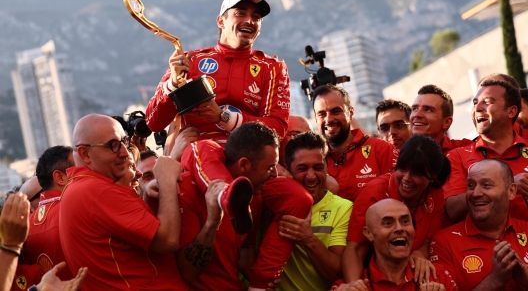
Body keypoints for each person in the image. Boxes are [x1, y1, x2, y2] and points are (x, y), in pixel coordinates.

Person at [177, 121, 313, 291]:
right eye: (270, 167)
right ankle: (224, 197)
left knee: (300, 199)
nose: (275, 173)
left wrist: (261, 281)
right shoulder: (187, 189)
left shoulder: (253, 196)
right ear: (244, 165)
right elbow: (188, 273)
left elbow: (244, 255)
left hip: (237, 287)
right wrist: (212, 222)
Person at [59, 114, 187, 290]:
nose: (125, 153)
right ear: (85, 153)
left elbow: (130, 241)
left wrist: (148, 199)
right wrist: (166, 180)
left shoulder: (80, 188)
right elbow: (168, 240)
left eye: (124, 142)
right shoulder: (97, 192)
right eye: (113, 145)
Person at [145, 0, 290, 141]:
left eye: (256, 17)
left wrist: (223, 118)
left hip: (249, 154)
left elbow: (278, 128)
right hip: (199, 151)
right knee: (205, 149)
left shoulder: (272, 68)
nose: (249, 21)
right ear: (221, 21)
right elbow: (153, 123)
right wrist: (173, 84)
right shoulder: (190, 61)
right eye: (240, 13)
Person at [342, 135, 451, 284]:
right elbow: (355, 249)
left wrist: (419, 254)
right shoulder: (373, 192)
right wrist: (354, 286)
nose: (406, 178)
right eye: (402, 168)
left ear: (432, 177)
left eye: (417, 174)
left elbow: (427, 241)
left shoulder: (435, 193)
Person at [431, 159, 528, 290]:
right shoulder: (444, 242)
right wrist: (495, 279)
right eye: (471, 186)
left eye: (487, 185)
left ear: (511, 191)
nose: (475, 193)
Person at [443, 78, 528, 223]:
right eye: (475, 103)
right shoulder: (457, 156)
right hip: (488, 244)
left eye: (487, 102)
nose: (477, 108)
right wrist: (506, 186)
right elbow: (453, 210)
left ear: (512, 111)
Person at [276, 132, 353, 290]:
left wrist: (308, 239)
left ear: (326, 167)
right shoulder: (272, 203)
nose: (311, 176)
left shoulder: (343, 208)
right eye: (302, 168)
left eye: (318, 167)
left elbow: (337, 274)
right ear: (287, 169)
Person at [336, 199, 457, 291]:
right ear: (369, 234)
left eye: (405, 221)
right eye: (388, 223)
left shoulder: (438, 276)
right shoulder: (349, 288)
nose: (399, 228)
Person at [312, 84, 398, 202]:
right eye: (321, 114)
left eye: (336, 111)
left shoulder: (382, 150)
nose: (329, 119)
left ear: (351, 113)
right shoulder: (313, 159)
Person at [24, 146, 75, 281]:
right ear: (59, 177)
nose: (86, 173)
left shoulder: (25, 227)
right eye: (79, 169)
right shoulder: (76, 211)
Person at [410, 84, 473, 154]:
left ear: (447, 122)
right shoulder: (399, 158)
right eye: (414, 109)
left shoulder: (468, 150)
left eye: (428, 109)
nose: (416, 115)